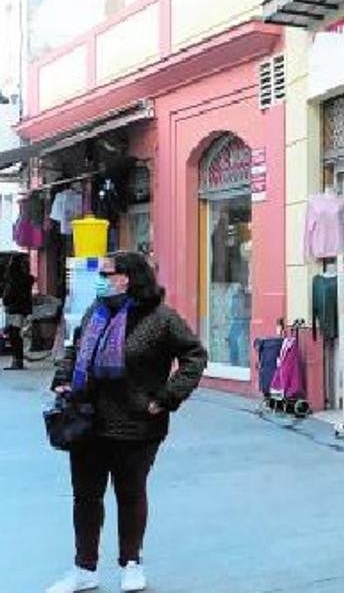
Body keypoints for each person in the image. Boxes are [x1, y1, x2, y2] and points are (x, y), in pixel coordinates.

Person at [47, 252, 207, 593]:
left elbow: (194, 356)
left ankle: (131, 564)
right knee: (85, 497)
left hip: (137, 423)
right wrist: (63, 378)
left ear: (128, 277)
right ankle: (84, 569)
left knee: (130, 495)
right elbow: (75, 349)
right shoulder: (96, 311)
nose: (101, 280)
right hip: (87, 420)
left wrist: (167, 397)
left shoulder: (161, 318)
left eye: (107, 274)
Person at [2, 254, 34, 370]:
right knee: (18, 336)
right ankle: (18, 360)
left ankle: (17, 361)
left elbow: (8, 297)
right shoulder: (27, 279)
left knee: (14, 336)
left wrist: (6, 300)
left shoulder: (12, 279)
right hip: (22, 310)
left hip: (13, 310)